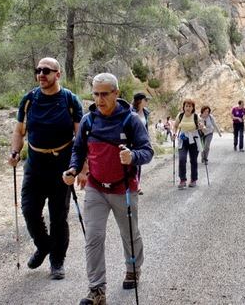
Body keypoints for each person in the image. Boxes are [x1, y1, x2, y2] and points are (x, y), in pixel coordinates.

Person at [63, 73, 153, 305]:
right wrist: (73, 169)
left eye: (105, 94)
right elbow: (78, 149)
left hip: (124, 188)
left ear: (116, 93)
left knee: (129, 233)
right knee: (93, 237)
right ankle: (97, 290)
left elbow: (147, 151)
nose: (100, 99)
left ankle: (133, 269)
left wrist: (132, 156)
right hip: (95, 188)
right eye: (96, 94)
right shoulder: (88, 120)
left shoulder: (131, 120)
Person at [8, 57, 83, 280]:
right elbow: (19, 131)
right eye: (38, 70)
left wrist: (82, 166)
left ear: (57, 74)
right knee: (30, 209)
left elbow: (80, 136)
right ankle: (43, 245)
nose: (41, 74)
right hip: (35, 163)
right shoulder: (29, 99)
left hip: (62, 165)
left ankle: (57, 262)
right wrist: (14, 152)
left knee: (58, 216)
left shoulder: (70, 100)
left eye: (46, 71)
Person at [173, 98, 204, 189]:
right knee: (182, 159)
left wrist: (202, 126)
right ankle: (183, 180)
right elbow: (175, 126)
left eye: (190, 106)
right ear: (184, 107)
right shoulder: (180, 115)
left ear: (193, 107)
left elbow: (201, 125)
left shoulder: (195, 116)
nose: (188, 108)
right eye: (186, 106)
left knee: (193, 160)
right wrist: (174, 133)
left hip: (194, 140)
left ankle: (193, 180)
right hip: (183, 140)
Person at [131, 92, 150, 195]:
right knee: (135, 163)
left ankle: (137, 184)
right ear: (139, 101)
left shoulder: (146, 112)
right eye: (145, 100)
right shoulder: (131, 111)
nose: (146, 102)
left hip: (142, 140)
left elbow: (146, 127)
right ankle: (135, 184)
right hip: (133, 140)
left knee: (139, 163)